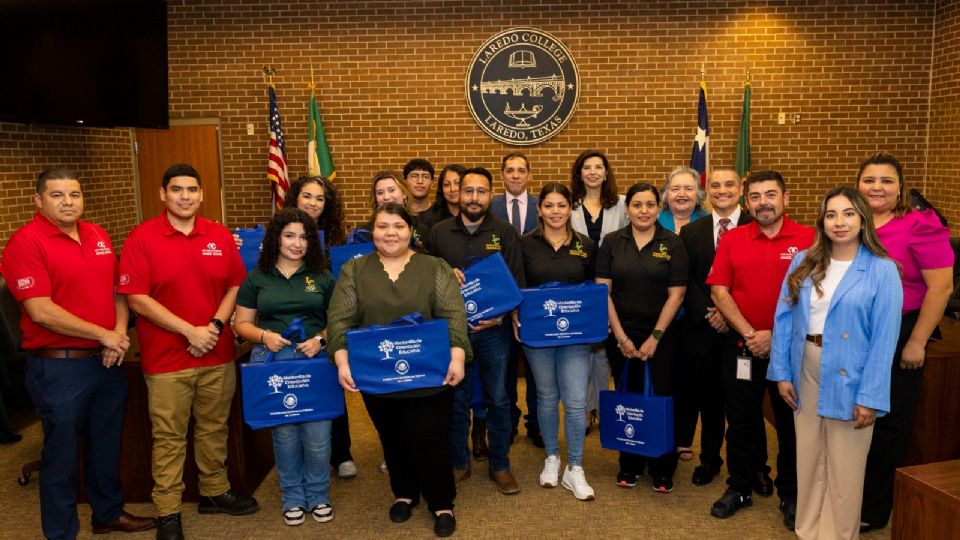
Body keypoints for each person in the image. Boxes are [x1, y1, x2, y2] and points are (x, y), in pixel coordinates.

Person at [2, 169, 155, 539]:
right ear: (38, 200)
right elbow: (41, 311)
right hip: (60, 368)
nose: (68, 202)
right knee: (61, 458)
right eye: (57, 195)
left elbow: (120, 288)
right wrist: (104, 334)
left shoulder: (96, 234)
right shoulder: (26, 243)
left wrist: (118, 334)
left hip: (105, 361)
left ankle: (107, 514)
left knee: (106, 446)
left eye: (74, 194)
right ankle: (61, 533)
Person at [119, 163, 258, 540]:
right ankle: (167, 512)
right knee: (169, 437)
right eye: (177, 189)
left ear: (201, 194)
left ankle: (214, 492)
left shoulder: (218, 234)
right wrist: (189, 332)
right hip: (166, 359)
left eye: (192, 190)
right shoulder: (142, 238)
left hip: (217, 354)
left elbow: (234, 287)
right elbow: (136, 298)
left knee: (215, 428)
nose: (185, 196)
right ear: (163, 194)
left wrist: (212, 327)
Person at [326, 202, 469, 538]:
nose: (390, 233)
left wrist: (458, 357)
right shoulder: (354, 270)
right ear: (372, 232)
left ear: (410, 232)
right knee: (392, 437)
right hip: (377, 376)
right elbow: (339, 320)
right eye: (382, 226)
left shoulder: (435, 267)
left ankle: (441, 501)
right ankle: (404, 492)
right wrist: (343, 362)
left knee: (430, 437)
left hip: (430, 374)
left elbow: (453, 316)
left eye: (398, 226)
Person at [768, 187, 902, 540]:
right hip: (806, 367)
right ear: (822, 221)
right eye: (831, 215)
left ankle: (839, 534)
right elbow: (783, 319)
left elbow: (884, 341)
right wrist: (781, 372)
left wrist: (871, 396)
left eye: (848, 214)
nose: (839, 222)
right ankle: (808, 529)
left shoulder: (882, 271)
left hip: (853, 374)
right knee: (809, 457)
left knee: (846, 466)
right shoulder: (803, 262)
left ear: (862, 220)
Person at [707, 170, 814, 530]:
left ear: (787, 197)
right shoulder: (733, 239)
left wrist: (776, 336)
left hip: (792, 352)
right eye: (755, 196)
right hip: (742, 347)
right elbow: (719, 290)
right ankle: (739, 487)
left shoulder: (810, 240)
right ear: (746, 201)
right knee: (740, 422)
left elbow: (819, 297)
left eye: (770, 195)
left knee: (790, 425)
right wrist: (752, 333)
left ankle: (792, 493)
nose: (763, 202)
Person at [856, 152, 954, 532]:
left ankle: (873, 508)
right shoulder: (851, 221)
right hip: (854, 334)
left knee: (887, 424)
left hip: (900, 334)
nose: (876, 187)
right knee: (850, 420)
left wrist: (916, 342)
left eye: (886, 181)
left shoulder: (920, 226)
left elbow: (941, 287)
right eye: (869, 180)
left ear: (900, 190)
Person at [425, 167, 526, 495]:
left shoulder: (505, 232)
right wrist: (442, 273)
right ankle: (459, 462)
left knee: (498, 398)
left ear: (490, 195)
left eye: (481, 191)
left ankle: (500, 464)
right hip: (452, 333)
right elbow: (423, 283)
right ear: (458, 193)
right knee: (456, 398)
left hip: (494, 332)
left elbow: (517, 285)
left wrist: (497, 319)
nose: (474, 198)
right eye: (468, 191)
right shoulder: (439, 233)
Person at [234, 208, 338, 527]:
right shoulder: (257, 277)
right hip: (273, 361)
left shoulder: (322, 276)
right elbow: (242, 325)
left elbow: (339, 320)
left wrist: (321, 339)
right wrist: (264, 335)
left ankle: (318, 495)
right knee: (285, 435)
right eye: (289, 235)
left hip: (314, 362)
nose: (297, 243)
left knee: (319, 437)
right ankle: (292, 496)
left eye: (304, 237)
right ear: (276, 238)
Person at [595, 183, 688, 494]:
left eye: (650, 204)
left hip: (663, 336)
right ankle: (630, 464)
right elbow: (602, 291)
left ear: (658, 209)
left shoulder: (672, 243)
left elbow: (676, 295)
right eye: (637, 205)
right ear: (627, 209)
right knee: (628, 399)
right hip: (622, 334)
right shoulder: (611, 242)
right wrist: (621, 338)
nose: (644, 211)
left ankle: (662, 467)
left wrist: (655, 337)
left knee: (661, 396)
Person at [518, 183, 597, 500]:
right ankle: (552, 456)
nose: (555, 211)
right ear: (539, 210)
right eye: (548, 205)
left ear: (570, 209)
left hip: (576, 337)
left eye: (561, 205)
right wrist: (515, 320)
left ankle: (574, 467)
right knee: (547, 398)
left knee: (577, 402)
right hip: (539, 336)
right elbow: (516, 288)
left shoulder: (586, 245)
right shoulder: (524, 245)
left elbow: (595, 288)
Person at [676, 167, 751, 486]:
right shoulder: (692, 232)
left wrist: (730, 313)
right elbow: (687, 280)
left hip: (744, 331)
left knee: (743, 404)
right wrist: (711, 313)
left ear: (741, 189)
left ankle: (753, 467)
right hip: (703, 330)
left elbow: (757, 281)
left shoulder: (754, 226)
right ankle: (709, 460)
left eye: (729, 184)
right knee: (708, 401)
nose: (722, 190)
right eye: (716, 185)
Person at [280, 176, 356, 478]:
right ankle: (304, 458)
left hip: (329, 321)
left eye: (320, 198)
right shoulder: (280, 233)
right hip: (293, 326)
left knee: (331, 384)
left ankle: (341, 453)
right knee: (296, 390)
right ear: (295, 198)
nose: (313, 203)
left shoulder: (338, 237)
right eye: (307, 196)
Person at [569, 150, 628, 432]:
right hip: (578, 288)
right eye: (586, 167)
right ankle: (583, 409)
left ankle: (603, 407)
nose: (592, 172)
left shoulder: (623, 205)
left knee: (605, 353)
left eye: (598, 167)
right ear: (579, 173)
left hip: (612, 287)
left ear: (606, 173)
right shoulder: (568, 205)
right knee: (584, 350)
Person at [490, 151, 541, 447]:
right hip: (500, 296)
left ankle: (535, 423)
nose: (516, 175)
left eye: (521, 170)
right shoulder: (492, 206)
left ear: (529, 175)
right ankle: (507, 421)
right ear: (503, 175)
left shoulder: (542, 205)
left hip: (534, 295)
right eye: (510, 170)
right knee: (505, 365)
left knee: (536, 367)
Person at [351, 170, 428, 250]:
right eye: (380, 193)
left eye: (391, 190)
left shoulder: (421, 230)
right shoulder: (363, 234)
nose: (386, 197)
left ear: (404, 193)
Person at [658, 166, 708, 233]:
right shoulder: (655, 221)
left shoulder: (709, 222)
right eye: (675, 189)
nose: (681, 194)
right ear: (666, 195)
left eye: (688, 189)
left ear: (698, 194)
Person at [419, 164, 464, 230]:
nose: (452, 189)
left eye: (457, 183)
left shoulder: (476, 214)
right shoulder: (427, 218)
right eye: (447, 184)